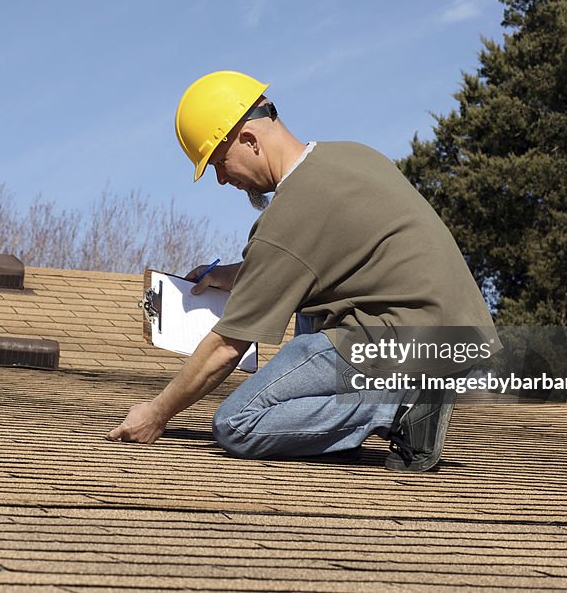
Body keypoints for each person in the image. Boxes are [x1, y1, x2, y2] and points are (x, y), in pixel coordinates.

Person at [107, 70, 496, 471]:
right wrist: (230, 275)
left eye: (219, 163)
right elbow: (304, 262)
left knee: (235, 423)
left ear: (249, 140)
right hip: (454, 335)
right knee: (309, 303)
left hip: (400, 343)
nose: (222, 180)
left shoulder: (290, 214)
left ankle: (398, 411)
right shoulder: (349, 157)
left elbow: (226, 347)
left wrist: (157, 412)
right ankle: (339, 437)